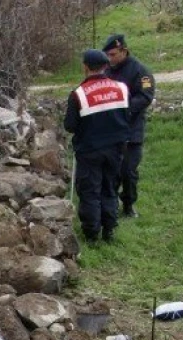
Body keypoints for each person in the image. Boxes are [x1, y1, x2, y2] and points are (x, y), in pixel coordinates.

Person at [64, 49, 129, 244]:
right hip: (116, 148)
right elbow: (126, 115)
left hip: (89, 150)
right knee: (109, 188)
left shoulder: (78, 95)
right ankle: (109, 230)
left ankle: (91, 234)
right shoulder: (121, 88)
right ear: (105, 66)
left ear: (85, 67)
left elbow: (70, 126)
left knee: (90, 191)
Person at [103, 33, 154, 218]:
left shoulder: (140, 71)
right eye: (108, 55)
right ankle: (111, 203)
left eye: (113, 54)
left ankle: (129, 204)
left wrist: (123, 108)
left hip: (132, 129)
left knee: (128, 171)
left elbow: (145, 97)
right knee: (112, 170)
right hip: (111, 130)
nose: (110, 58)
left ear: (124, 50)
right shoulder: (107, 70)